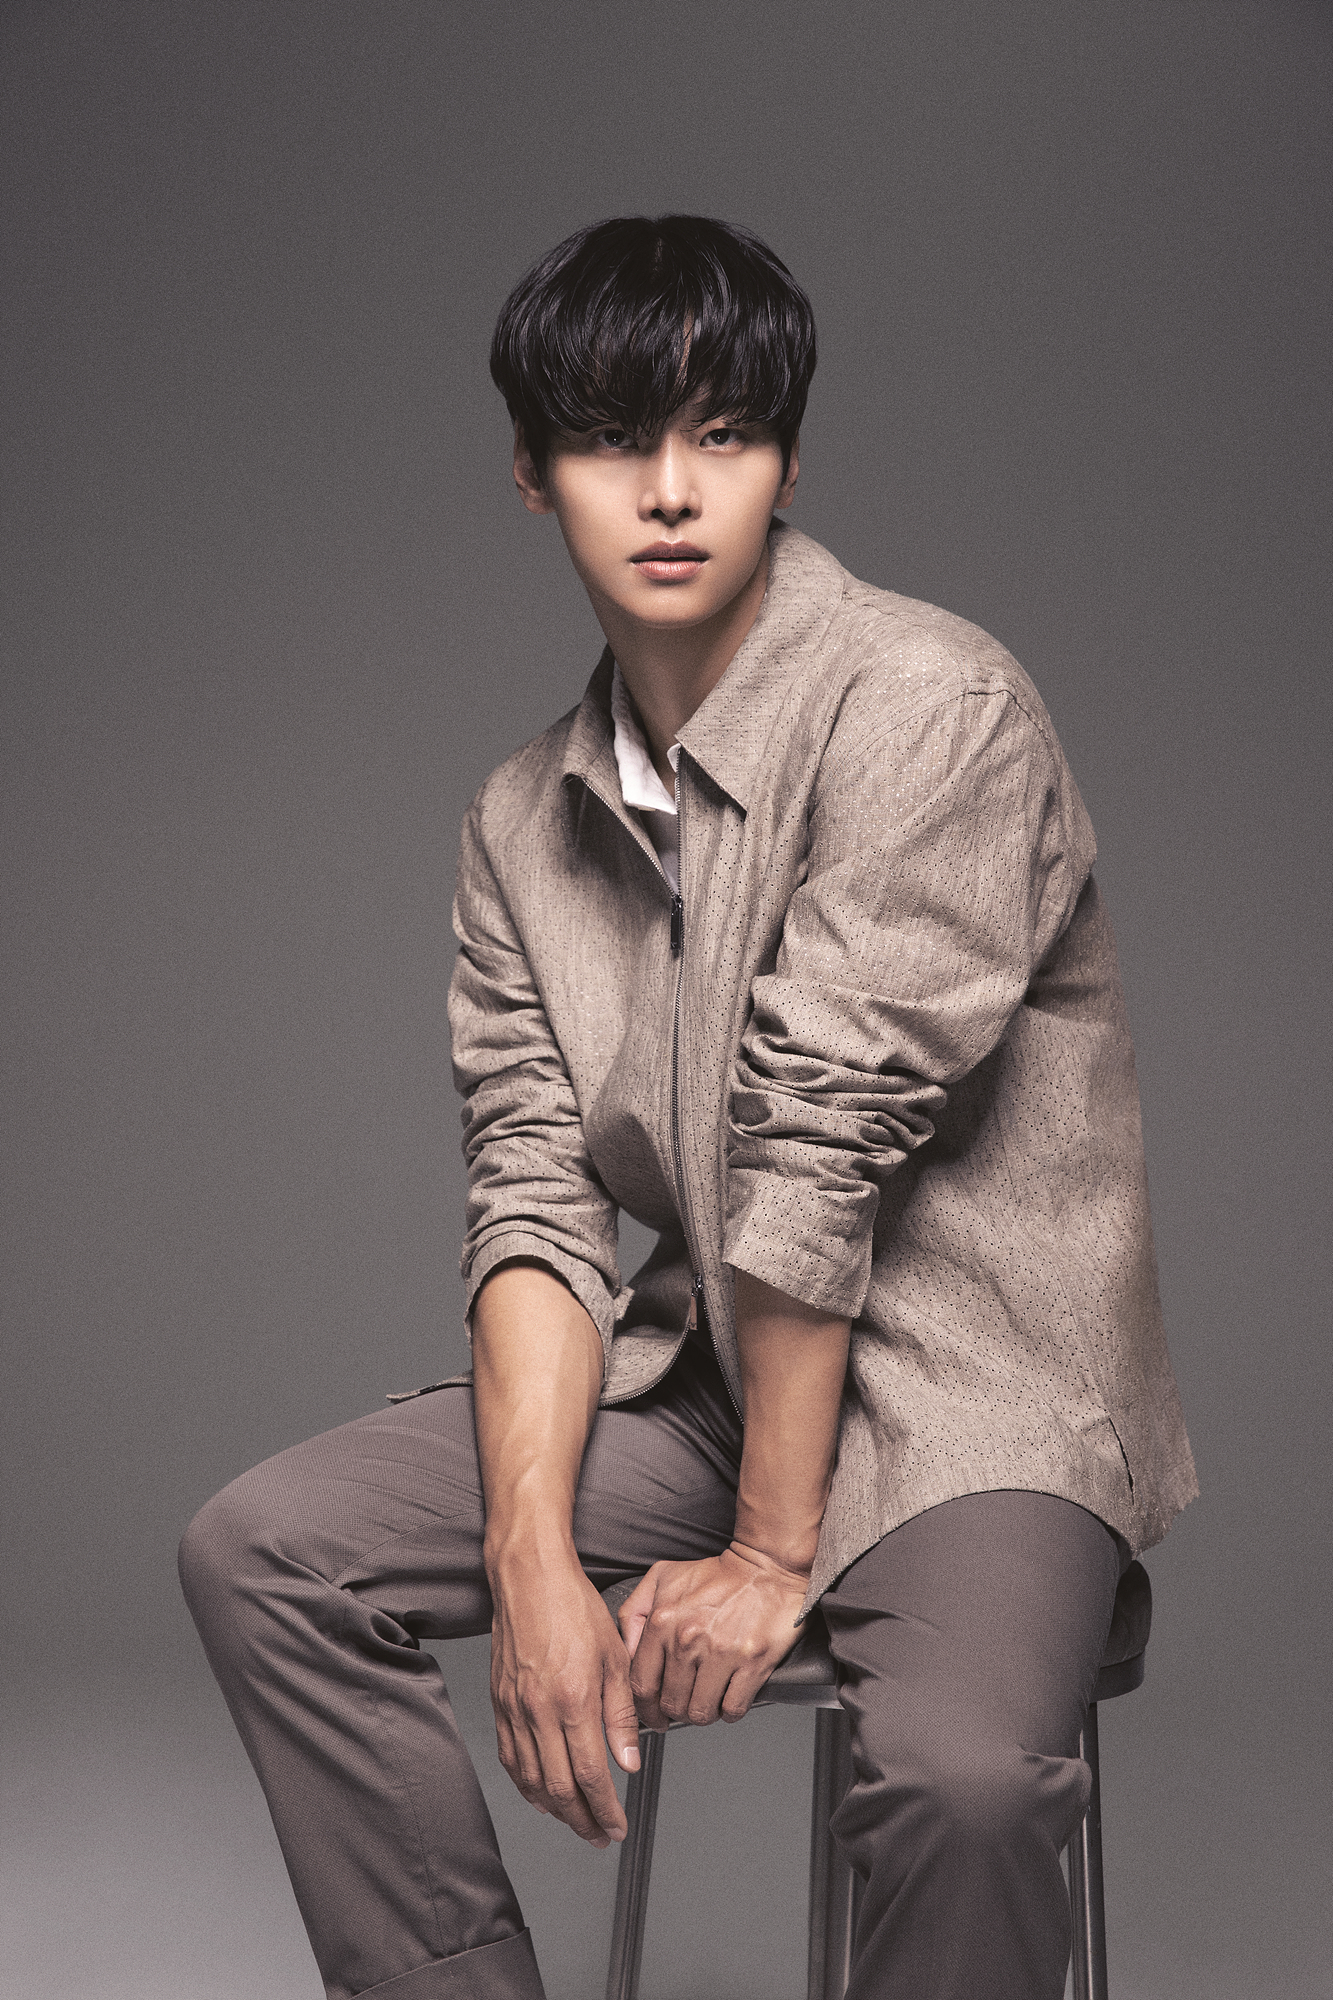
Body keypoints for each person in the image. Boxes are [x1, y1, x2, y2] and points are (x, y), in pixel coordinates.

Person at [179, 214, 1197, 2000]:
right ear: (530, 472)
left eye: (721, 435)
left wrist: (766, 1553)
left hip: (981, 1400)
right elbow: (533, 1201)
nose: (667, 491)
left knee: (960, 1783)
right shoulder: (520, 823)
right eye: (608, 440)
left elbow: (815, 1150)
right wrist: (530, 1560)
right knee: (267, 1551)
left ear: (786, 461)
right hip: (719, 1382)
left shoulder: (930, 703)